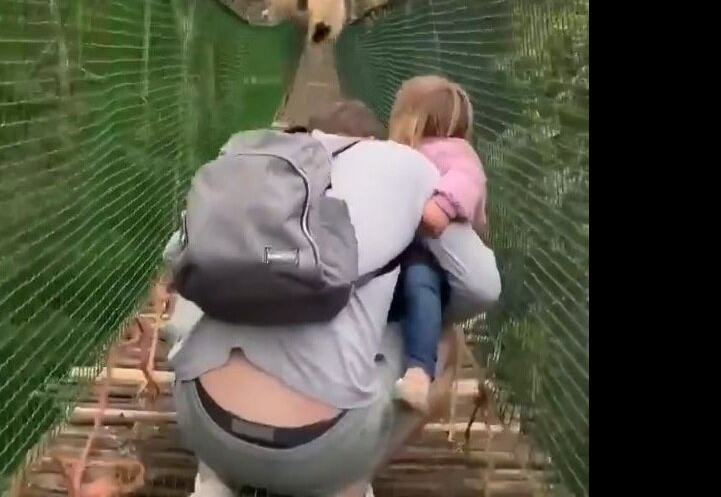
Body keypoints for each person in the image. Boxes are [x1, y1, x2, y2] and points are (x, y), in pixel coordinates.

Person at [159, 99, 501, 497]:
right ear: (373, 140)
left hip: (202, 425)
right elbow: (481, 287)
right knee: (438, 333)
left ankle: (215, 479)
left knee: (206, 273)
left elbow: (174, 256)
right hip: (324, 450)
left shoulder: (250, 157)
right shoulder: (402, 165)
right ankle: (348, 482)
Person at [385, 75, 489, 413]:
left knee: (421, 282)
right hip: (392, 249)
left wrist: (441, 206)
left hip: (430, 256)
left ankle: (418, 372)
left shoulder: (453, 152)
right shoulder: (395, 152)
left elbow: (465, 178)